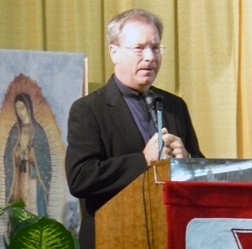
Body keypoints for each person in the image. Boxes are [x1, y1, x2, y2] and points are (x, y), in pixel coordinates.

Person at [65, 8, 204, 249]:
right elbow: (80, 178)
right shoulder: (88, 109)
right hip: (112, 237)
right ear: (114, 52)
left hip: (171, 235)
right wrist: (143, 160)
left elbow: (202, 171)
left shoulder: (174, 105)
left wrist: (187, 161)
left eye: (155, 47)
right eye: (139, 48)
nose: (150, 57)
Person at [4, 93, 51, 217]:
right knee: (20, 212)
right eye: (17, 109)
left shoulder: (38, 131)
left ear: (28, 108)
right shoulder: (15, 131)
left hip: (34, 179)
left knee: (34, 208)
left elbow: (45, 158)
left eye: (22, 108)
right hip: (19, 179)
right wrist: (16, 155)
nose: (20, 112)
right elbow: (8, 156)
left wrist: (32, 156)